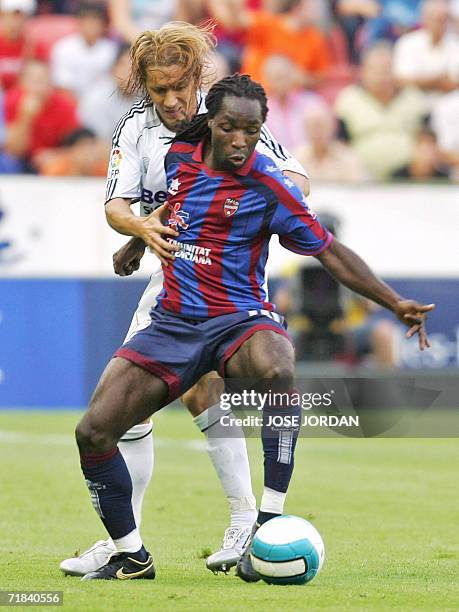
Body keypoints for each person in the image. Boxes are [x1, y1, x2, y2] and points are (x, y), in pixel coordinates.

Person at [74, 74, 433, 582]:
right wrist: (137, 241)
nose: (241, 141)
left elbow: (329, 250)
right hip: (174, 321)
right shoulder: (180, 155)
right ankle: (131, 556)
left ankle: (267, 518)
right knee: (94, 431)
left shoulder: (269, 187)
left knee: (276, 366)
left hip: (239, 318)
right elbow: (177, 204)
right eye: (229, 129)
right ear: (212, 126)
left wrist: (394, 302)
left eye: (251, 129)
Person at [59, 21, 310, 578]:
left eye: (178, 86)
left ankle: (243, 520)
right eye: (158, 89)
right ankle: (130, 541)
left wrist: (258, 199)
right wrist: (139, 233)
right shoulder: (136, 128)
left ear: (197, 77)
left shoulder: (227, 121)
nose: (171, 100)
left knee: (198, 391)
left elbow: (296, 178)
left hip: (227, 285)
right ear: (145, 86)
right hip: (170, 282)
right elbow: (117, 203)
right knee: (126, 415)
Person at [334, 43, 427, 179]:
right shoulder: (348, 99)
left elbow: (426, 140)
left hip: (409, 176)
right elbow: (340, 143)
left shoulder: (414, 98)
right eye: (376, 70)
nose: (382, 76)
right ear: (363, 72)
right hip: (361, 177)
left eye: (387, 70)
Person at [50, 2, 118, 101]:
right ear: (78, 23)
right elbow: (62, 86)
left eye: (96, 21)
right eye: (87, 21)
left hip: (101, 103)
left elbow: (112, 86)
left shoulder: (111, 50)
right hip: (70, 104)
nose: (91, 26)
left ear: (104, 25)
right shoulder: (63, 47)